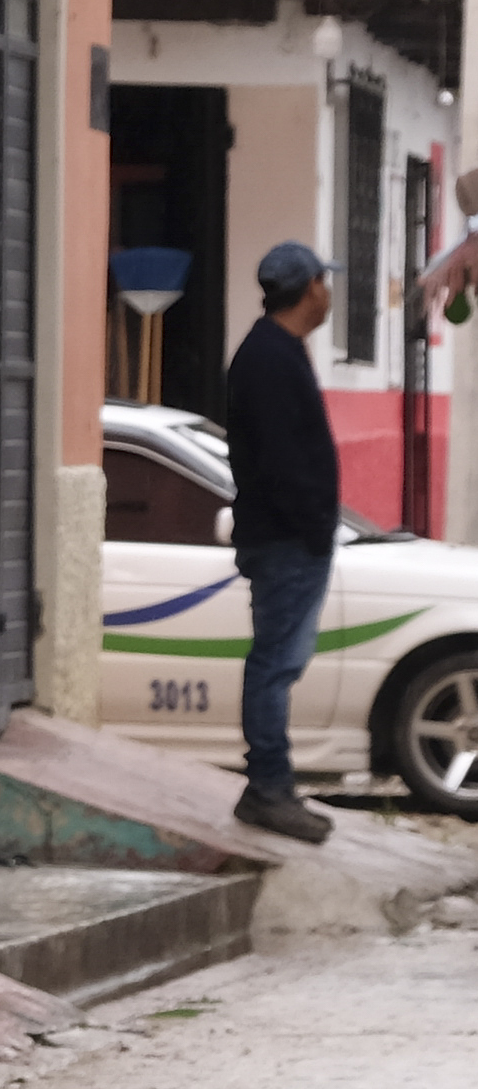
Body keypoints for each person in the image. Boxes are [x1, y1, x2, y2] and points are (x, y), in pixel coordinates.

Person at [224, 241, 341, 846]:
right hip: (286, 540)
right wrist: (311, 524)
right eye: (325, 281)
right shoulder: (267, 358)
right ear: (310, 289)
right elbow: (278, 460)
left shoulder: (277, 351)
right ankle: (268, 787)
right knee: (274, 664)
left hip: (293, 537)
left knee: (279, 663)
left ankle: (272, 785)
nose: (330, 292)